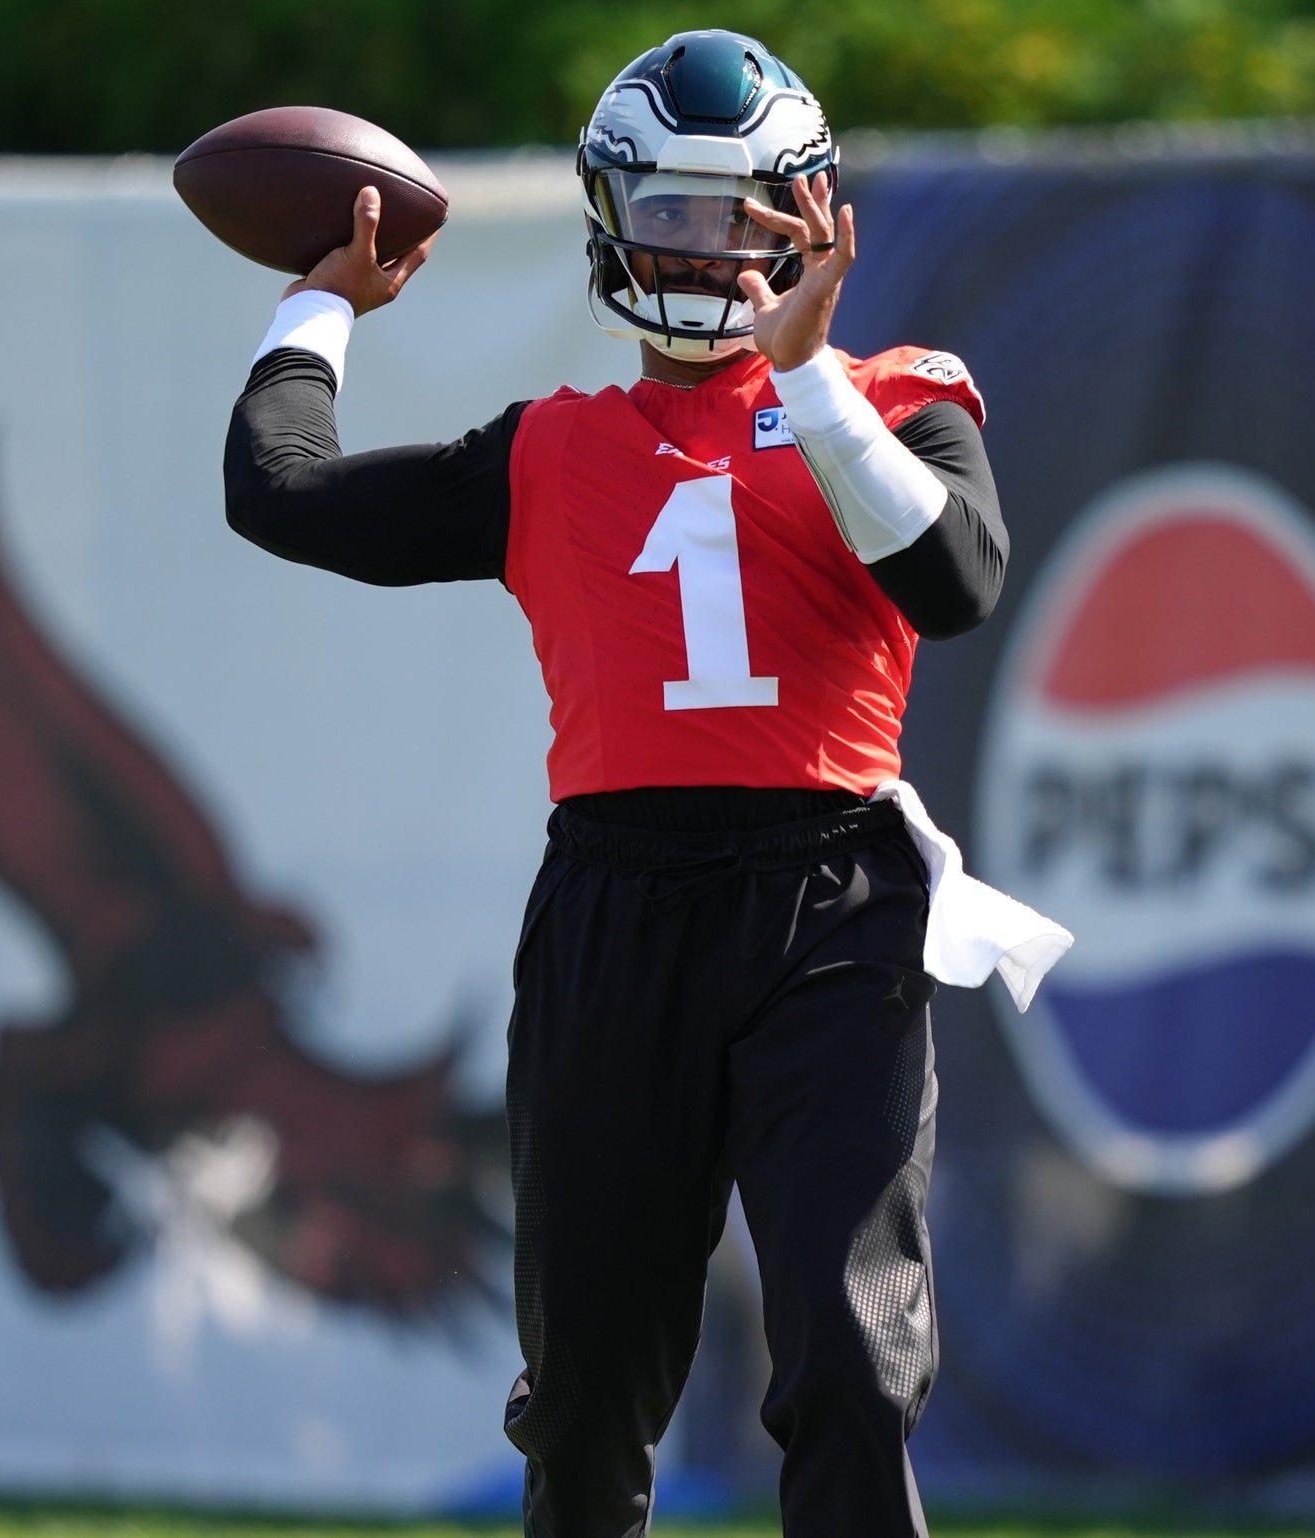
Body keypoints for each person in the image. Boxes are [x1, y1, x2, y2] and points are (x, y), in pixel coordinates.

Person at [223, 29, 1068, 1537]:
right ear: (614, 216)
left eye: (737, 210)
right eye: (669, 210)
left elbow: (955, 579)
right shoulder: (549, 451)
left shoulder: (898, 396)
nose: (707, 245)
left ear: (808, 217)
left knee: (853, 1365)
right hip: (616, 919)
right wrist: (316, 304)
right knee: (590, 1391)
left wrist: (808, 384)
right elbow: (278, 489)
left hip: (835, 914)